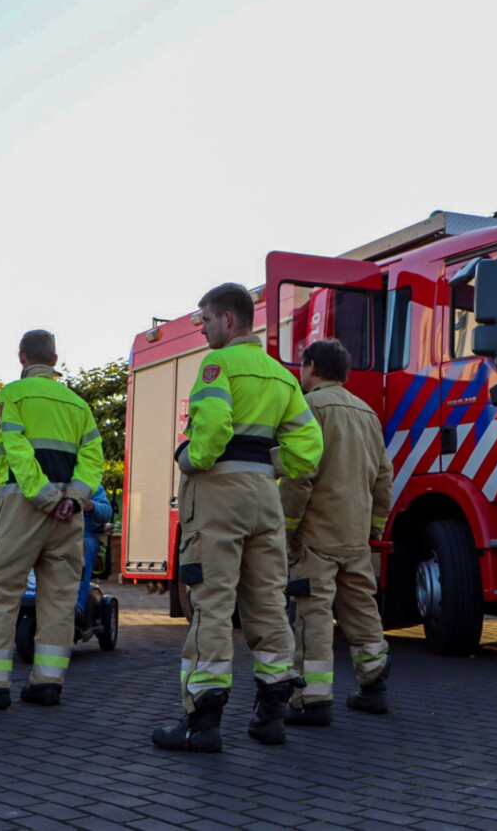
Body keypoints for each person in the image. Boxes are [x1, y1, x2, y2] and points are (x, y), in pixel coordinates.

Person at [151, 283, 323, 752]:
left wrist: (190, 457)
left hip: (218, 497)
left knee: (211, 605)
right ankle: (270, 716)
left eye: (205, 319)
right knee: (268, 604)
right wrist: (270, 465)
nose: (203, 328)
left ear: (229, 320)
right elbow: (309, 450)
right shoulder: (282, 376)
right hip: (264, 498)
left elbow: (212, 428)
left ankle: (201, 725)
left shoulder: (216, 365)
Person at [0, 330, 106, 711]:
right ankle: (47, 683)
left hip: (24, 506)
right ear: (54, 361)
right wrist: (73, 498)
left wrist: (46, 497)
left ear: (22, 358)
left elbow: (16, 450)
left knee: (0, 593)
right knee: (60, 598)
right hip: (68, 516)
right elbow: (94, 458)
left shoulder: (13, 395)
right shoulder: (78, 404)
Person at [280, 338, 393, 726]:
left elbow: (299, 475)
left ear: (311, 366)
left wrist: (287, 529)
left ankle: (311, 700)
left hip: (316, 537)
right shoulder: (367, 414)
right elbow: (383, 480)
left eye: (301, 365)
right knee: (362, 611)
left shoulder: (309, 408)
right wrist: (373, 528)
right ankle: (373, 686)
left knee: (313, 614)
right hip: (356, 536)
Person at [77, 482, 113, 620]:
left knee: (83, 550)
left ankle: (78, 606)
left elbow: (106, 512)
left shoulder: (90, 484)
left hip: (84, 533)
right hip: (52, 532)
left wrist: (92, 506)